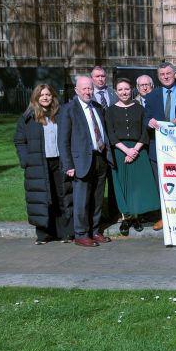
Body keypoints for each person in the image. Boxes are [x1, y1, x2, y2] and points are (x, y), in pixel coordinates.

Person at [14, 84, 73, 245]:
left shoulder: (61, 115)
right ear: (36, 98)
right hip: (39, 163)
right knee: (42, 198)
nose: (45, 97)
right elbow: (19, 140)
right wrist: (25, 160)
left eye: (48, 94)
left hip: (59, 162)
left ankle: (65, 233)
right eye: (41, 95)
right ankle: (43, 234)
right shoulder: (28, 117)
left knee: (62, 196)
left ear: (53, 96)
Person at [58, 76, 113, 247]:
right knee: (82, 200)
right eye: (84, 89)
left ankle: (95, 231)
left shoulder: (97, 107)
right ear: (76, 90)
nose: (88, 92)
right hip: (80, 161)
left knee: (97, 199)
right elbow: (63, 140)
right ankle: (81, 234)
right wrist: (68, 165)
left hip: (100, 158)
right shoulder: (68, 109)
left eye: (90, 89)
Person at [105, 78, 158, 236]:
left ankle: (136, 217)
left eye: (126, 89)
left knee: (137, 186)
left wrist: (134, 150)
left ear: (132, 90)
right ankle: (126, 218)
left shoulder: (140, 108)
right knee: (123, 185)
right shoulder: (110, 110)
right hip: (120, 151)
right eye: (120, 89)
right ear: (115, 92)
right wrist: (126, 151)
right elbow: (111, 134)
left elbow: (145, 131)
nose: (124, 92)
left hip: (138, 150)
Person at [143, 62, 176, 231]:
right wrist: (149, 122)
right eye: (162, 74)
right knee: (162, 185)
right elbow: (145, 118)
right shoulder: (152, 96)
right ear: (158, 77)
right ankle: (165, 217)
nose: (166, 76)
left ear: (175, 74)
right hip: (160, 149)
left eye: (169, 73)